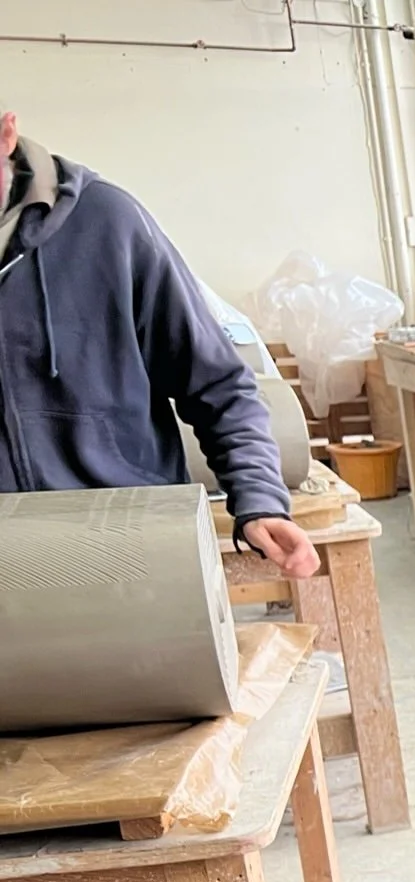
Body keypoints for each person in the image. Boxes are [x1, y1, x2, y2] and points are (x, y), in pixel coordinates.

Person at [0, 108, 316, 578]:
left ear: (6, 134)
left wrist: (259, 498)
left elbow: (219, 384)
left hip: (130, 548)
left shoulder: (109, 224)